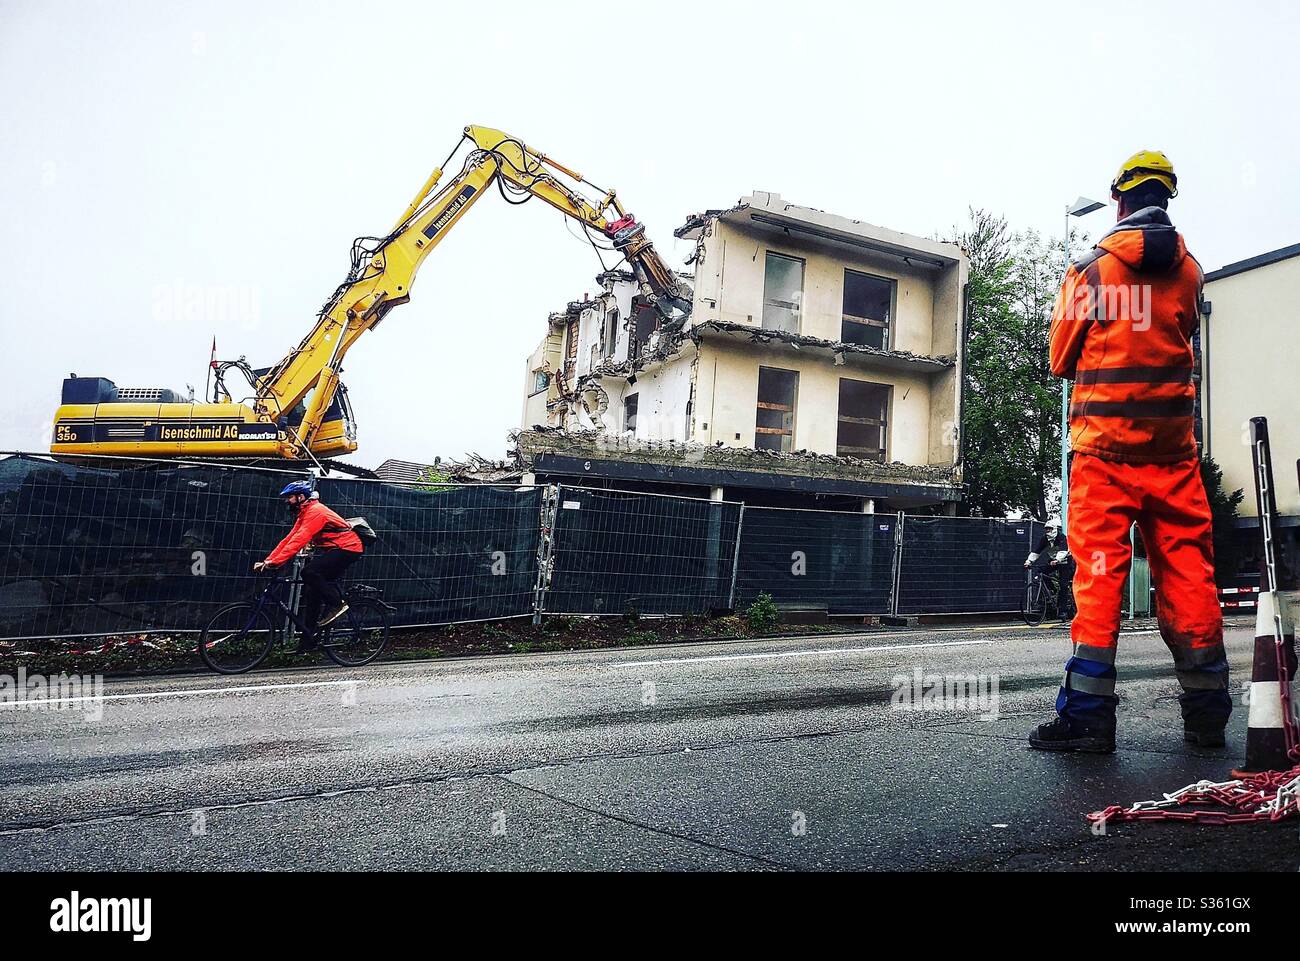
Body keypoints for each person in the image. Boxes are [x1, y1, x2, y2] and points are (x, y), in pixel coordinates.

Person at [1029, 150, 1230, 754]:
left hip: (1103, 459)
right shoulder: (1191, 273)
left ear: (1119, 200)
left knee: (1097, 580)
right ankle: (1207, 714)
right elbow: (1184, 336)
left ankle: (1089, 718)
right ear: (1167, 199)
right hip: (1173, 460)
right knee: (1190, 573)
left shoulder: (1090, 274)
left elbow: (1060, 357)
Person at [254, 480, 364, 653]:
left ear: (301, 497)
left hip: (348, 548)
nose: (287, 501)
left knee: (309, 572)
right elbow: (289, 539)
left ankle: (337, 604)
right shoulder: (304, 513)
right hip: (335, 549)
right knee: (312, 593)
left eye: (290, 497)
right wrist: (269, 560)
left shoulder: (315, 512)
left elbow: (300, 540)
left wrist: (276, 562)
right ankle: (307, 643)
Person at [1024, 519, 1074, 621]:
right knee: (1041, 572)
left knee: (1063, 585)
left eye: (1049, 529)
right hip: (1053, 561)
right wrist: (1029, 561)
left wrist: (1057, 559)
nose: (1047, 531)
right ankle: (1052, 589)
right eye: (1046, 529)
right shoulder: (1045, 539)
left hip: (1065, 561)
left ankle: (1063, 611)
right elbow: (1037, 551)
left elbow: (1063, 550)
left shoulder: (1061, 537)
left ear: (1054, 529)